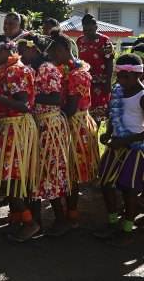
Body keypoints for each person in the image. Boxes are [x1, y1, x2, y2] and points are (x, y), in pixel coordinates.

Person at [0, 34, 40, 243]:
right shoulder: (5, 70)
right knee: (6, 178)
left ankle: (30, 223)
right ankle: (16, 220)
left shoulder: (17, 70)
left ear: (2, 51)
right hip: (7, 126)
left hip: (17, 128)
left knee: (8, 178)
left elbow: (24, 105)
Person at [17, 33, 72, 236]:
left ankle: (62, 221)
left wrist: (30, 98)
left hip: (49, 126)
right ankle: (36, 221)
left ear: (34, 49)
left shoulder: (47, 68)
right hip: (39, 126)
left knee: (49, 173)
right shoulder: (33, 68)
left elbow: (57, 98)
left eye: (23, 51)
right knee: (38, 174)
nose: (20, 55)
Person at [47, 29, 99, 228]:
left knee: (71, 172)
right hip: (68, 124)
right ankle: (70, 216)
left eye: (52, 54)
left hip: (74, 127)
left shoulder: (78, 74)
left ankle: (71, 217)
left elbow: (70, 108)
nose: (51, 59)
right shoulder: (67, 70)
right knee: (68, 172)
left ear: (61, 50)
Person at [96, 54, 144, 247]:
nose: (122, 81)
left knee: (129, 190)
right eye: (120, 76)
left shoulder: (142, 96)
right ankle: (113, 222)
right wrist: (108, 133)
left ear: (139, 75)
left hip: (135, 149)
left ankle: (127, 230)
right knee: (105, 183)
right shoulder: (118, 92)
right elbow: (115, 116)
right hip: (116, 145)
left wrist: (125, 140)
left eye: (127, 77)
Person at [77, 13, 114, 123]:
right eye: (85, 30)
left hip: (100, 84)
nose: (88, 32)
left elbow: (110, 62)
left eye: (90, 29)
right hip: (84, 84)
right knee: (84, 113)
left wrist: (108, 83)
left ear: (96, 28)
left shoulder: (105, 41)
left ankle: (93, 137)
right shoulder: (79, 41)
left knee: (97, 115)